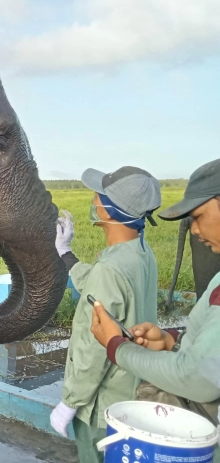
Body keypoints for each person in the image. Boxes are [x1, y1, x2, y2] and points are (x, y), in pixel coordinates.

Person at [90, 158, 220, 455]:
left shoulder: (110, 268)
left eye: (198, 216)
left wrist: (116, 346)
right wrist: (172, 341)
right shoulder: (144, 254)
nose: (195, 230)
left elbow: (198, 378)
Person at [49, 166, 162, 463]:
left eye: (99, 195)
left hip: (102, 408)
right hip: (132, 391)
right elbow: (102, 286)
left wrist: (70, 402)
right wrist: (66, 253)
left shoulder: (109, 269)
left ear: (111, 211)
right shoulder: (140, 253)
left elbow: (94, 347)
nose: (94, 200)